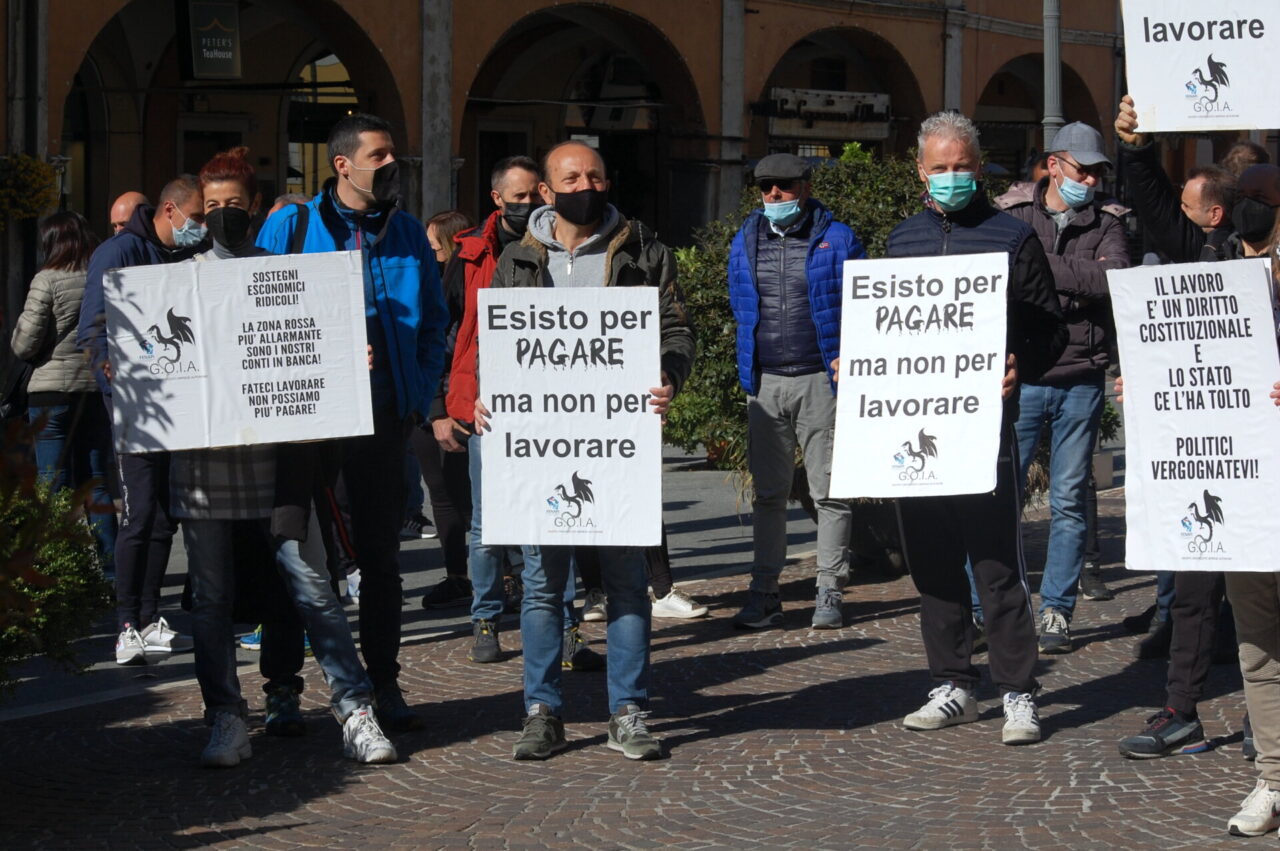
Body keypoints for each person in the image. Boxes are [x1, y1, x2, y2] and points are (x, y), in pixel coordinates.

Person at [172, 147, 395, 768]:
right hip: (207, 463)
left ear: (256, 208)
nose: (221, 216)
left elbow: (325, 349)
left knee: (312, 587)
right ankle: (225, 716)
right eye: (211, 206)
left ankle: (355, 710)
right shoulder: (177, 277)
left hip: (281, 464)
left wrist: (350, 363)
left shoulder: (290, 275)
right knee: (212, 601)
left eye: (232, 206)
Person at [477, 140, 694, 761]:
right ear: (546, 191)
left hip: (616, 444)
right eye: (571, 176)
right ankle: (541, 712)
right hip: (539, 446)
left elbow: (676, 328)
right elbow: (496, 343)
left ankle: (628, 711)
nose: (586, 184)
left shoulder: (645, 252)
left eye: (596, 174)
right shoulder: (518, 257)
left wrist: (670, 376)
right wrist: (485, 397)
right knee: (545, 587)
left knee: (627, 585)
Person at [876, 111, 1064, 745]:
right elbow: (883, 330)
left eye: (962, 167)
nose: (951, 177)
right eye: (940, 168)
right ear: (919, 171)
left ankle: (1018, 692)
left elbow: (1049, 330)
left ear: (980, 168)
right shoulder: (900, 241)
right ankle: (952, 682)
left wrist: (1020, 364)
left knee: (996, 564)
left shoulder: (1012, 238)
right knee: (930, 563)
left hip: (985, 429)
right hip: (914, 431)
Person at [256, 113, 449, 733]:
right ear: (343, 165)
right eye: (381, 155)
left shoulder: (409, 232)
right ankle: (282, 687)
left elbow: (435, 323)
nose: (392, 165)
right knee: (295, 552)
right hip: (306, 420)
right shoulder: (293, 225)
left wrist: (417, 396)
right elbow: (258, 307)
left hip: (385, 416)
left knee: (380, 557)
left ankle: (383, 681)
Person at [1112, 94, 1246, 759]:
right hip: (1208, 454)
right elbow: (1160, 211)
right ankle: (1181, 709)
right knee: (1193, 589)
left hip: (1263, 456)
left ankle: (1268, 722)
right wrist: (1136, 147)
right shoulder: (1205, 254)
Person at [993, 122, 1131, 652]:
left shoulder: (1112, 220)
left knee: (1071, 497)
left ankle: (1055, 611)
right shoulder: (1012, 213)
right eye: (1083, 170)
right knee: (1002, 495)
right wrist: (1078, 273)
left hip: (1081, 376)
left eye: (1098, 172)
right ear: (1054, 165)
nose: (1092, 181)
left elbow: (1112, 280)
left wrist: (1039, 269)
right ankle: (993, 607)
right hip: (1021, 374)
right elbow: (1001, 274)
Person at [727, 152, 864, 630]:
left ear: (804, 187)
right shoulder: (744, 241)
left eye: (784, 186)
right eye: (766, 187)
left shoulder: (839, 238)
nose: (774, 196)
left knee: (830, 492)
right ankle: (765, 591)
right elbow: (739, 305)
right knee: (769, 494)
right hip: (764, 383)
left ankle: (830, 588)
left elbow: (862, 305)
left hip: (821, 379)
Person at [77, 174, 206, 665]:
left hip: (172, 404)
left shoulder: (172, 255)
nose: (199, 227)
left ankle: (151, 617)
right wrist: (117, 394)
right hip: (134, 407)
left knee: (162, 518)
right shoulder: (118, 252)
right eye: (195, 217)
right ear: (170, 211)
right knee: (138, 513)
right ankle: (128, 622)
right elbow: (92, 329)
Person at [429, 156, 541, 660]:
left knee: (547, 521)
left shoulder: (561, 246)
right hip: (485, 406)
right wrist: (441, 406)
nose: (528, 205)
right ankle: (485, 618)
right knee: (486, 523)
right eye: (518, 198)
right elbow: (443, 334)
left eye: (534, 196)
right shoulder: (469, 254)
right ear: (497, 199)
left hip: (550, 406)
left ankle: (561, 622)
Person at [10, 212, 117, 576]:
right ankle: (111, 571)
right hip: (94, 388)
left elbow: (26, 344)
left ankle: (62, 572)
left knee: (52, 482)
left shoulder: (47, 280)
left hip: (50, 392)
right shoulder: (102, 277)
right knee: (97, 481)